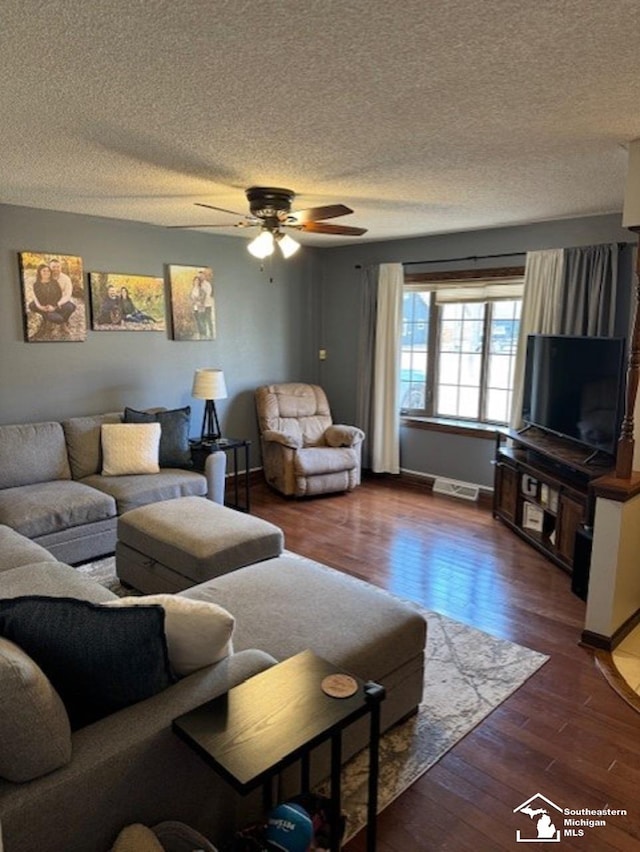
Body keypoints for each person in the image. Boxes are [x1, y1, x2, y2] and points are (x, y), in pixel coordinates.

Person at [49, 258, 76, 322]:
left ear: (61, 267)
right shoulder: (46, 277)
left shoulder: (66, 278)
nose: (56, 269)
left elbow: (68, 294)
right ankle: (47, 321)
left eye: (58, 267)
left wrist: (59, 303)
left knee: (71, 307)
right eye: (53, 267)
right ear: (49, 267)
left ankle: (64, 322)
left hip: (61, 301)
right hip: (48, 301)